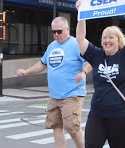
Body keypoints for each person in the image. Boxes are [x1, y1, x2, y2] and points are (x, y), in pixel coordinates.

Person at [16, 17, 92, 148]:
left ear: (67, 29)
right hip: (54, 95)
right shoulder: (52, 46)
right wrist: (27, 72)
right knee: (56, 127)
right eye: (53, 31)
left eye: (59, 31)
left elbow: (90, 60)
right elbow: (42, 64)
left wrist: (83, 72)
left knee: (72, 127)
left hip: (72, 94)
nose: (56, 34)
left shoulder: (77, 43)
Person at [75, 0, 125, 148]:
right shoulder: (97, 55)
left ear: (118, 41)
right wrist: (81, 14)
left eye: (111, 38)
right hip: (97, 114)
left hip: (122, 116)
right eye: (104, 38)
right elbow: (80, 38)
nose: (107, 41)